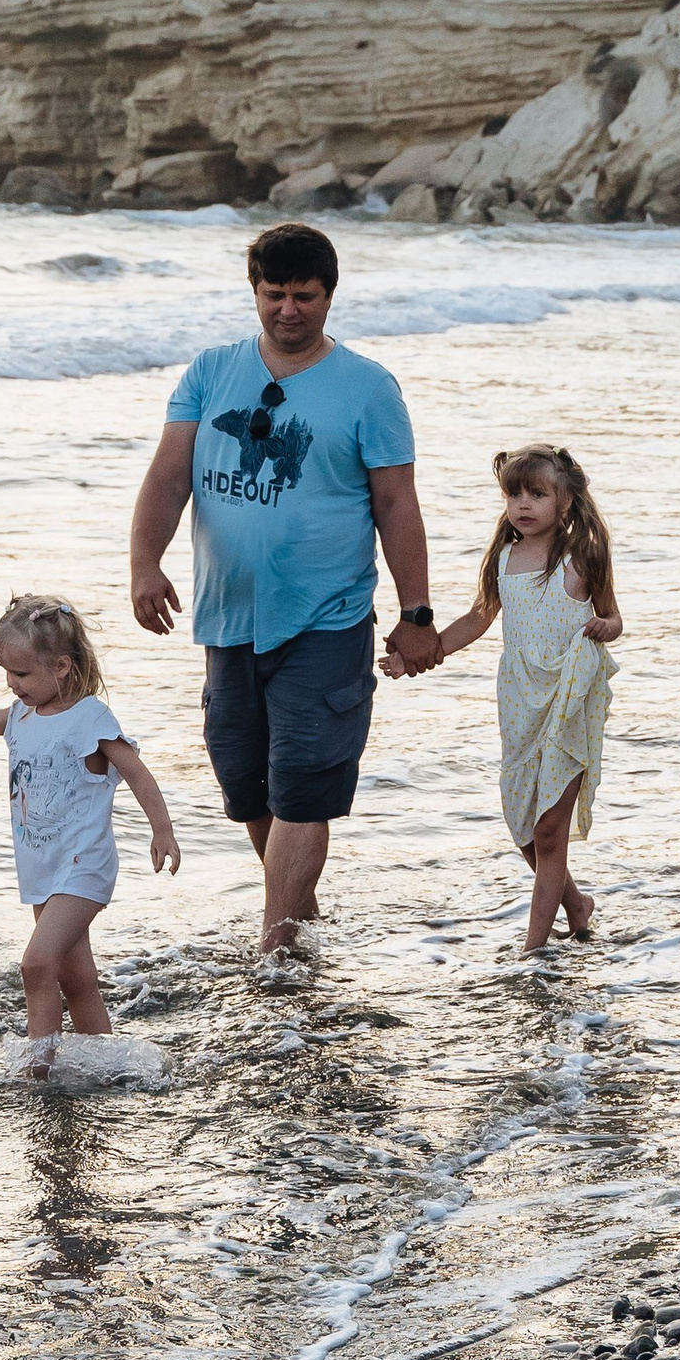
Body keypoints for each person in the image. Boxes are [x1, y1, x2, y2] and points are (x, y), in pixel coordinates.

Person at [128, 220, 435, 951]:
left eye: (304, 295)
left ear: (329, 296)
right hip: (227, 616)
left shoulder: (368, 388)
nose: (288, 310)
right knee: (247, 785)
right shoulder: (211, 372)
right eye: (274, 294)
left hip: (325, 619)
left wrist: (416, 611)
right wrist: (145, 561)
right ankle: (297, 911)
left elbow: (398, 503)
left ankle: (275, 944)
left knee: (302, 780)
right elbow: (170, 476)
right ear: (254, 292)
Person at [0, 591, 177, 1069]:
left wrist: (161, 830)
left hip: (83, 867)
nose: (12, 684)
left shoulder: (89, 718)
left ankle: (38, 1068)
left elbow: (137, 771)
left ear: (61, 667)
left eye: (21, 674)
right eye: (7, 672)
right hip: (42, 867)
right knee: (75, 978)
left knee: (36, 964)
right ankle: (106, 1063)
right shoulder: (21, 716)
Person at [425, 443, 622, 953]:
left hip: (568, 698)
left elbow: (615, 616)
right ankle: (575, 904)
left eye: (537, 493)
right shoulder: (503, 557)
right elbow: (477, 618)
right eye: (514, 493)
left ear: (564, 501)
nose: (523, 504)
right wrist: (424, 653)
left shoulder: (584, 555)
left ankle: (533, 951)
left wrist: (605, 626)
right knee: (523, 826)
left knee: (550, 831)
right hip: (518, 701)